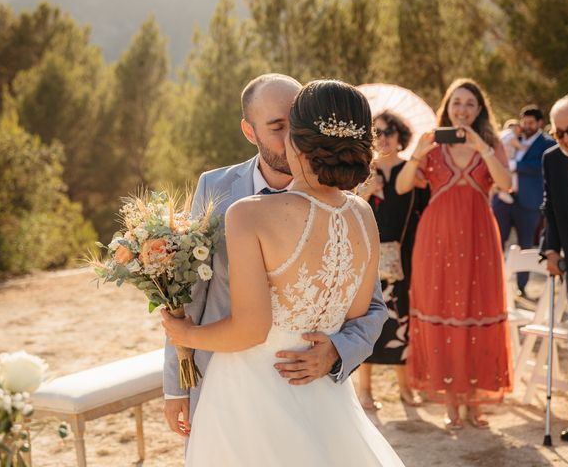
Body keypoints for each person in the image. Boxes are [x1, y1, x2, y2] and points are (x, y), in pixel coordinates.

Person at [161, 80, 404, 466]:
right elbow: (190, 293)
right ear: (249, 130)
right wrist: (177, 383)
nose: (287, 135)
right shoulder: (362, 215)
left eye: (294, 125)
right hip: (319, 401)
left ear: (303, 139)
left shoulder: (246, 213)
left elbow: (252, 329)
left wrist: (185, 333)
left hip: (250, 392)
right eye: (278, 125)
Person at [396, 78, 513, 429]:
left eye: (470, 104)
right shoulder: (431, 144)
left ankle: (474, 399)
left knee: (479, 308)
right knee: (442, 308)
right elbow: (403, 186)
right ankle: (450, 398)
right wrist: (417, 152)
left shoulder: (489, 142)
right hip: (438, 240)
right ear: (446, 106)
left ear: (480, 110)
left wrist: (483, 148)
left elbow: (506, 184)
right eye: (457, 103)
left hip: (480, 240)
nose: (462, 110)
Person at [356, 112, 429, 409]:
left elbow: (409, 196)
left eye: (389, 132)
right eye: (377, 132)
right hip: (367, 254)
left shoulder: (411, 170)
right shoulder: (362, 171)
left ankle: (405, 388)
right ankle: (365, 390)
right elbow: (345, 206)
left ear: (401, 137)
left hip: (403, 253)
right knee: (365, 317)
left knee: (401, 318)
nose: (383, 137)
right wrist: (363, 190)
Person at [540, 95, 568, 441]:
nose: (566, 139)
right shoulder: (552, 159)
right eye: (559, 132)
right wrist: (550, 249)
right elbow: (550, 207)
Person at [492, 105, 555, 297]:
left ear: (539, 123)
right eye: (524, 122)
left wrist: (515, 165)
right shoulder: (513, 138)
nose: (526, 126)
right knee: (495, 241)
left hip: (528, 202)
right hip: (503, 200)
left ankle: (521, 286)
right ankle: (495, 285)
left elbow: (541, 166)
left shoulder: (546, 143)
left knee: (525, 244)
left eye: (531, 122)